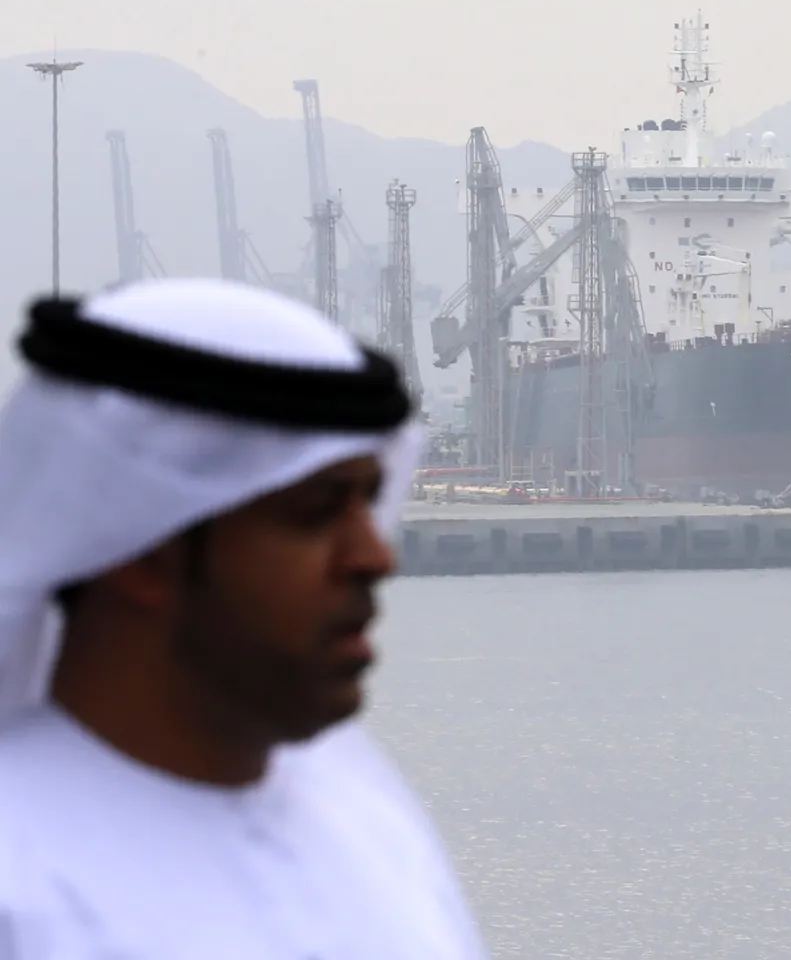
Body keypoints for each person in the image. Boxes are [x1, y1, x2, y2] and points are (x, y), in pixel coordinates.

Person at [0, 279, 486, 957]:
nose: (375, 556)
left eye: (369, 504)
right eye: (315, 512)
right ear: (141, 553)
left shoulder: (365, 822)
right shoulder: (18, 888)